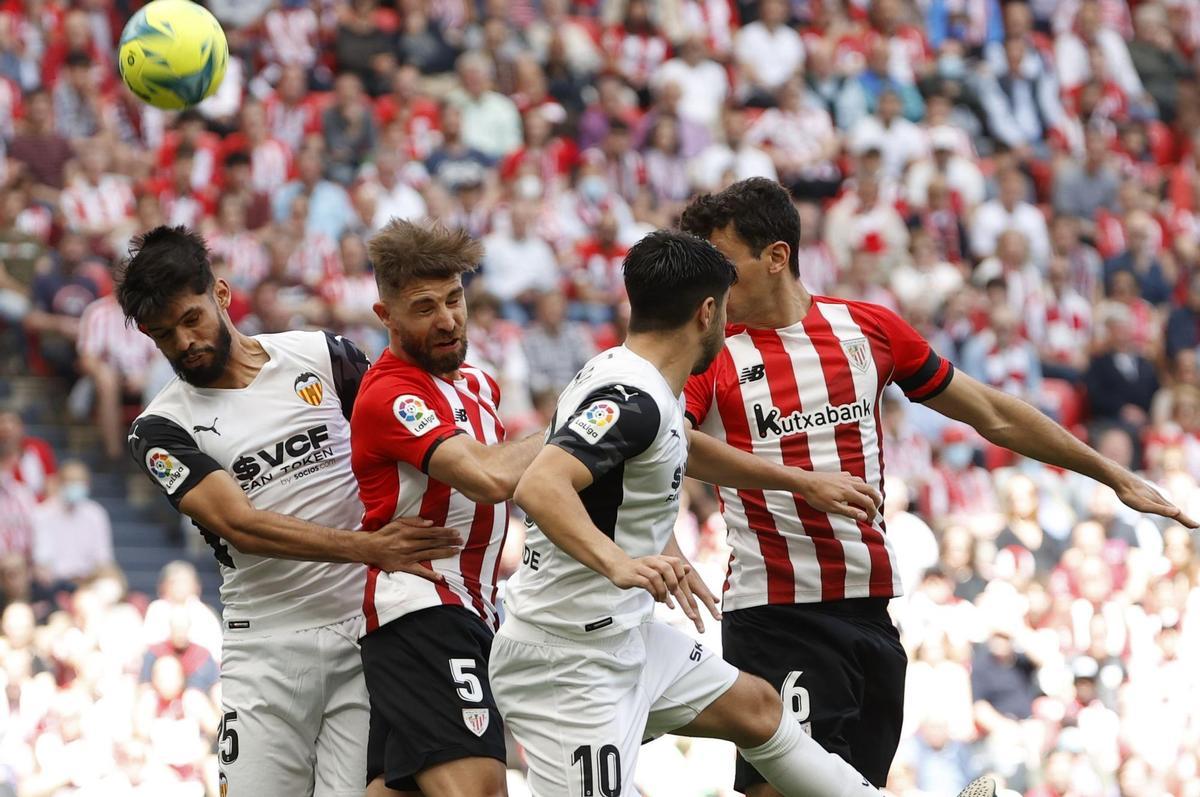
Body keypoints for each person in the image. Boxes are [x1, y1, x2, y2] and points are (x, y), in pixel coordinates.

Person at [678, 178, 1195, 795]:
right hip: (775, 611)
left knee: (848, 786)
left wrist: (1109, 474)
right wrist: (798, 482)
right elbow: (671, 440)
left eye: (724, 264)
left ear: (776, 256)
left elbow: (991, 412)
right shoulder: (709, 353)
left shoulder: (865, 331)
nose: (712, 283)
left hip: (870, 609)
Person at [490, 229, 995, 797]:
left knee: (759, 710)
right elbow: (540, 483)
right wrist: (619, 563)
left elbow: (680, 442)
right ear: (708, 312)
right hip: (568, 663)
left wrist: (801, 482)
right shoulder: (634, 399)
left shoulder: (634, 375)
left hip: (624, 636)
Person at [118, 226, 464, 796]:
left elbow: (400, 438)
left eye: (191, 319)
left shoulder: (322, 356)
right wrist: (368, 547)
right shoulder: (159, 428)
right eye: (163, 336)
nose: (184, 343)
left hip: (365, 634)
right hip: (267, 649)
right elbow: (238, 524)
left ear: (221, 295)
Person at [349, 220, 544, 797]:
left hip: (472, 610)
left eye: (454, 299)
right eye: (424, 307)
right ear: (385, 316)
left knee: (397, 789)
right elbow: (487, 477)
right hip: (425, 610)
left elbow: (525, 479)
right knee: (483, 787)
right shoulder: (390, 393)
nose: (447, 319)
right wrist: (582, 420)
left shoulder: (480, 384)